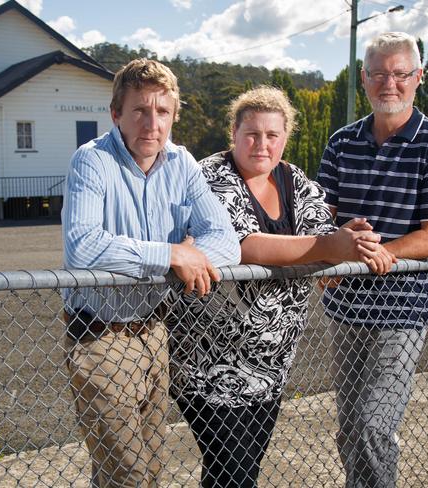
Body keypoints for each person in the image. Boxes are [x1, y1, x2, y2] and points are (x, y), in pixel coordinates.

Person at [167, 86, 394, 488]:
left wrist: (351, 243)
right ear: (233, 134)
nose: (262, 144)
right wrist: (328, 248)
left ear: (285, 137)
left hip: (272, 364)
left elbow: (322, 230)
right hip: (210, 366)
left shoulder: (293, 178)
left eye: (272, 135)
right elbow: (241, 245)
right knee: (233, 474)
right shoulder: (210, 176)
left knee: (238, 474)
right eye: (252, 133)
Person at [61, 58, 240, 488]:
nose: (151, 123)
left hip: (155, 335)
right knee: (130, 474)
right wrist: (173, 254)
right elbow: (82, 246)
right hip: (99, 337)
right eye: (140, 110)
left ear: (174, 115)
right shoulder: (91, 161)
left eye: (162, 112)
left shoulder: (182, 164)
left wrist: (190, 254)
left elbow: (226, 240)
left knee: (150, 472)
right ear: (116, 113)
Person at [316, 32, 428, 488]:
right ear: (363, 79)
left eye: (400, 73)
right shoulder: (342, 142)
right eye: (379, 73)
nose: (389, 83)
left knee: (374, 427)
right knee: (350, 430)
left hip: (402, 312)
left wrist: (384, 252)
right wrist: (330, 251)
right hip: (346, 309)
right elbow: (323, 218)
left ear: (417, 77)